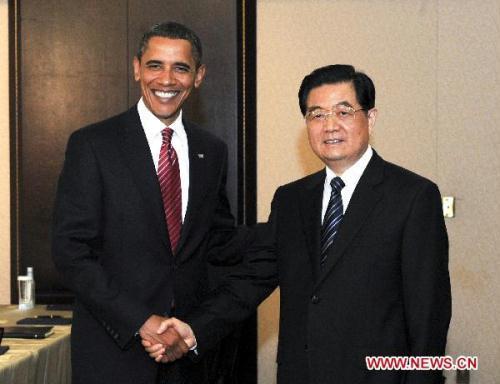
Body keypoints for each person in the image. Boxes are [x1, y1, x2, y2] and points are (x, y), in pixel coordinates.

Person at [145, 64, 452, 384]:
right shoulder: (292, 200)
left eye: (343, 112)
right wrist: (193, 330)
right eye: (316, 114)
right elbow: (249, 283)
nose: (330, 125)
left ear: (370, 118)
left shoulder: (413, 197)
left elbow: (428, 316)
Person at [52, 22, 239, 384]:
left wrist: (281, 235)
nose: (166, 79)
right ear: (137, 67)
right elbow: (70, 251)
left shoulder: (212, 151)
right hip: (112, 353)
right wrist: (142, 321)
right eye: (155, 65)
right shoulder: (93, 145)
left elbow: (217, 242)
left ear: (198, 76)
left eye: (180, 67)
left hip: (187, 354)